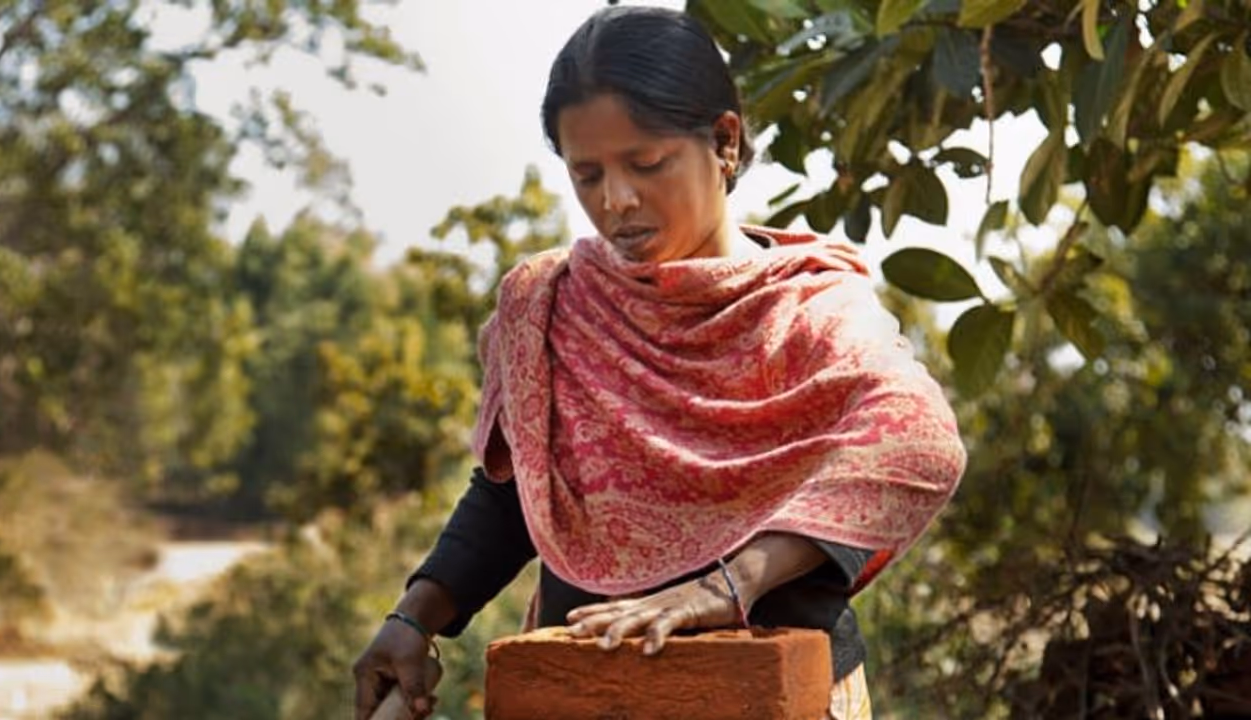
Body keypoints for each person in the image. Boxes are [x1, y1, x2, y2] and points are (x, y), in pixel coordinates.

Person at [353, 6, 966, 720]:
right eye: (587, 175)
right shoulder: (549, 305)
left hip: (774, 696)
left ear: (725, 142)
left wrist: (724, 587)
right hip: (583, 694)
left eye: (645, 164)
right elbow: (514, 491)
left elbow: (919, 443)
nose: (615, 202)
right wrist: (411, 618)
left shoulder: (809, 310)